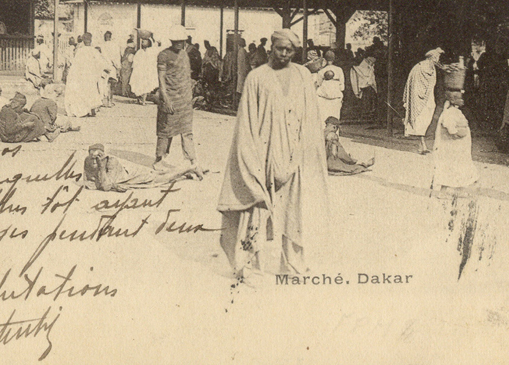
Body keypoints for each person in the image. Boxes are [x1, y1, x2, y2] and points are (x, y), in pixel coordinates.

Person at [217, 29, 330, 281]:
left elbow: (311, 118)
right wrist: (251, 162)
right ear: (271, 47)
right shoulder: (257, 78)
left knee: (294, 212)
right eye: (280, 48)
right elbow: (246, 123)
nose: (285, 53)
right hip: (264, 156)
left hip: (296, 156)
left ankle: (292, 266)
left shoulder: (302, 74)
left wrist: (307, 155)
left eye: (290, 50)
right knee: (255, 211)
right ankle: (250, 268)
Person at [155, 26, 203, 175]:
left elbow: (185, 75)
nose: (178, 44)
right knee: (166, 131)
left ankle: (193, 161)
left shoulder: (184, 54)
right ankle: (158, 159)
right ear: (171, 41)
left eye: (180, 41)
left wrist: (190, 93)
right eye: (175, 41)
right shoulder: (163, 55)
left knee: (187, 131)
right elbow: (161, 79)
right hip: (170, 98)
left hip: (184, 99)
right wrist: (166, 98)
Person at [431, 88, 479, 194]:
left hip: (459, 148)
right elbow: (451, 129)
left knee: (458, 167)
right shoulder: (449, 113)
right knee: (452, 167)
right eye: (459, 98)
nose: (462, 100)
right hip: (453, 147)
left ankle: (457, 188)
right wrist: (459, 133)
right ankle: (446, 190)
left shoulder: (456, 112)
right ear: (453, 100)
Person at [404, 48, 443, 153]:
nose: (438, 59)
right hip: (418, 97)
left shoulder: (432, 68)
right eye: (437, 57)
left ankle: (422, 144)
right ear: (432, 58)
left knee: (428, 115)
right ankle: (422, 145)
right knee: (421, 117)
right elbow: (414, 84)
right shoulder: (419, 68)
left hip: (428, 96)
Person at [64, 33, 109, 118]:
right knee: (91, 92)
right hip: (90, 76)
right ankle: (91, 110)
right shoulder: (94, 51)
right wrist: (106, 69)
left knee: (83, 93)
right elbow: (101, 63)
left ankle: (84, 110)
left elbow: (75, 65)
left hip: (82, 76)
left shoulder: (80, 51)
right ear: (91, 40)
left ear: (83, 41)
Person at [130, 37, 159, 104]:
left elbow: (153, 60)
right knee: (139, 85)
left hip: (146, 71)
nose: (143, 43)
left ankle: (143, 100)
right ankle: (139, 99)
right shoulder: (139, 52)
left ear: (148, 43)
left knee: (146, 85)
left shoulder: (151, 51)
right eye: (142, 42)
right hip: (139, 71)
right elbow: (135, 61)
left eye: (144, 41)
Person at [351, 52, 377, 120]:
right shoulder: (366, 65)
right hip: (367, 85)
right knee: (367, 100)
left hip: (364, 85)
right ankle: (367, 113)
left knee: (367, 100)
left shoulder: (361, 66)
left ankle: (367, 113)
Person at [101, 31, 121, 105]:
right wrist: (118, 68)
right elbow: (116, 58)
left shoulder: (102, 45)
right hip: (112, 67)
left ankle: (103, 101)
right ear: (111, 37)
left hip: (104, 67)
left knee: (104, 84)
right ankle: (110, 101)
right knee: (111, 85)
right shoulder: (114, 46)